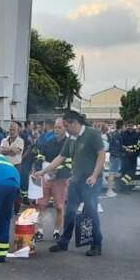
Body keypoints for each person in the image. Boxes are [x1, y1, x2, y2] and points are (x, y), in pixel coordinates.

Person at [35, 110, 105, 257]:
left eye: (67, 126)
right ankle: (63, 242)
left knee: (91, 212)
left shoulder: (92, 134)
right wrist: (44, 171)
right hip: (76, 181)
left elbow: (101, 154)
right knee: (70, 212)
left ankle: (96, 244)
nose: (65, 129)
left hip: (91, 182)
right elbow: (61, 157)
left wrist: (94, 175)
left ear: (75, 123)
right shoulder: (71, 139)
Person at [37, 117, 70, 241]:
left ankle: (57, 231)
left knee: (59, 207)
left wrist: (58, 171)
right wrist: (39, 165)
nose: (56, 130)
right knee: (41, 205)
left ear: (65, 128)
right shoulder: (48, 142)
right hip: (46, 177)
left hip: (60, 180)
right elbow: (40, 155)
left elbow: (70, 163)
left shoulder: (69, 144)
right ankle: (40, 230)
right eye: (55, 127)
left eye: (59, 127)